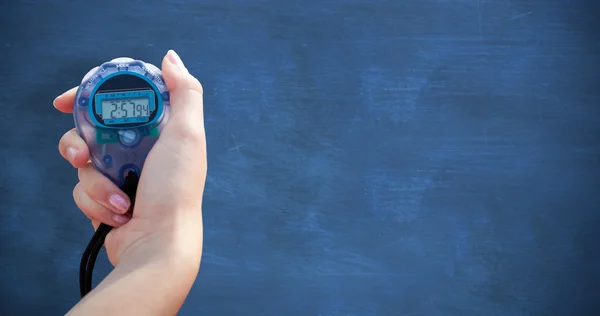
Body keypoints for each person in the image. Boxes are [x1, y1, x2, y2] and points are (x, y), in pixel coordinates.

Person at [53, 50, 206, 315]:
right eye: (116, 109)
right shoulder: (144, 94)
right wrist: (155, 249)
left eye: (133, 108)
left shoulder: (96, 97)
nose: (126, 135)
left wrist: (156, 244)